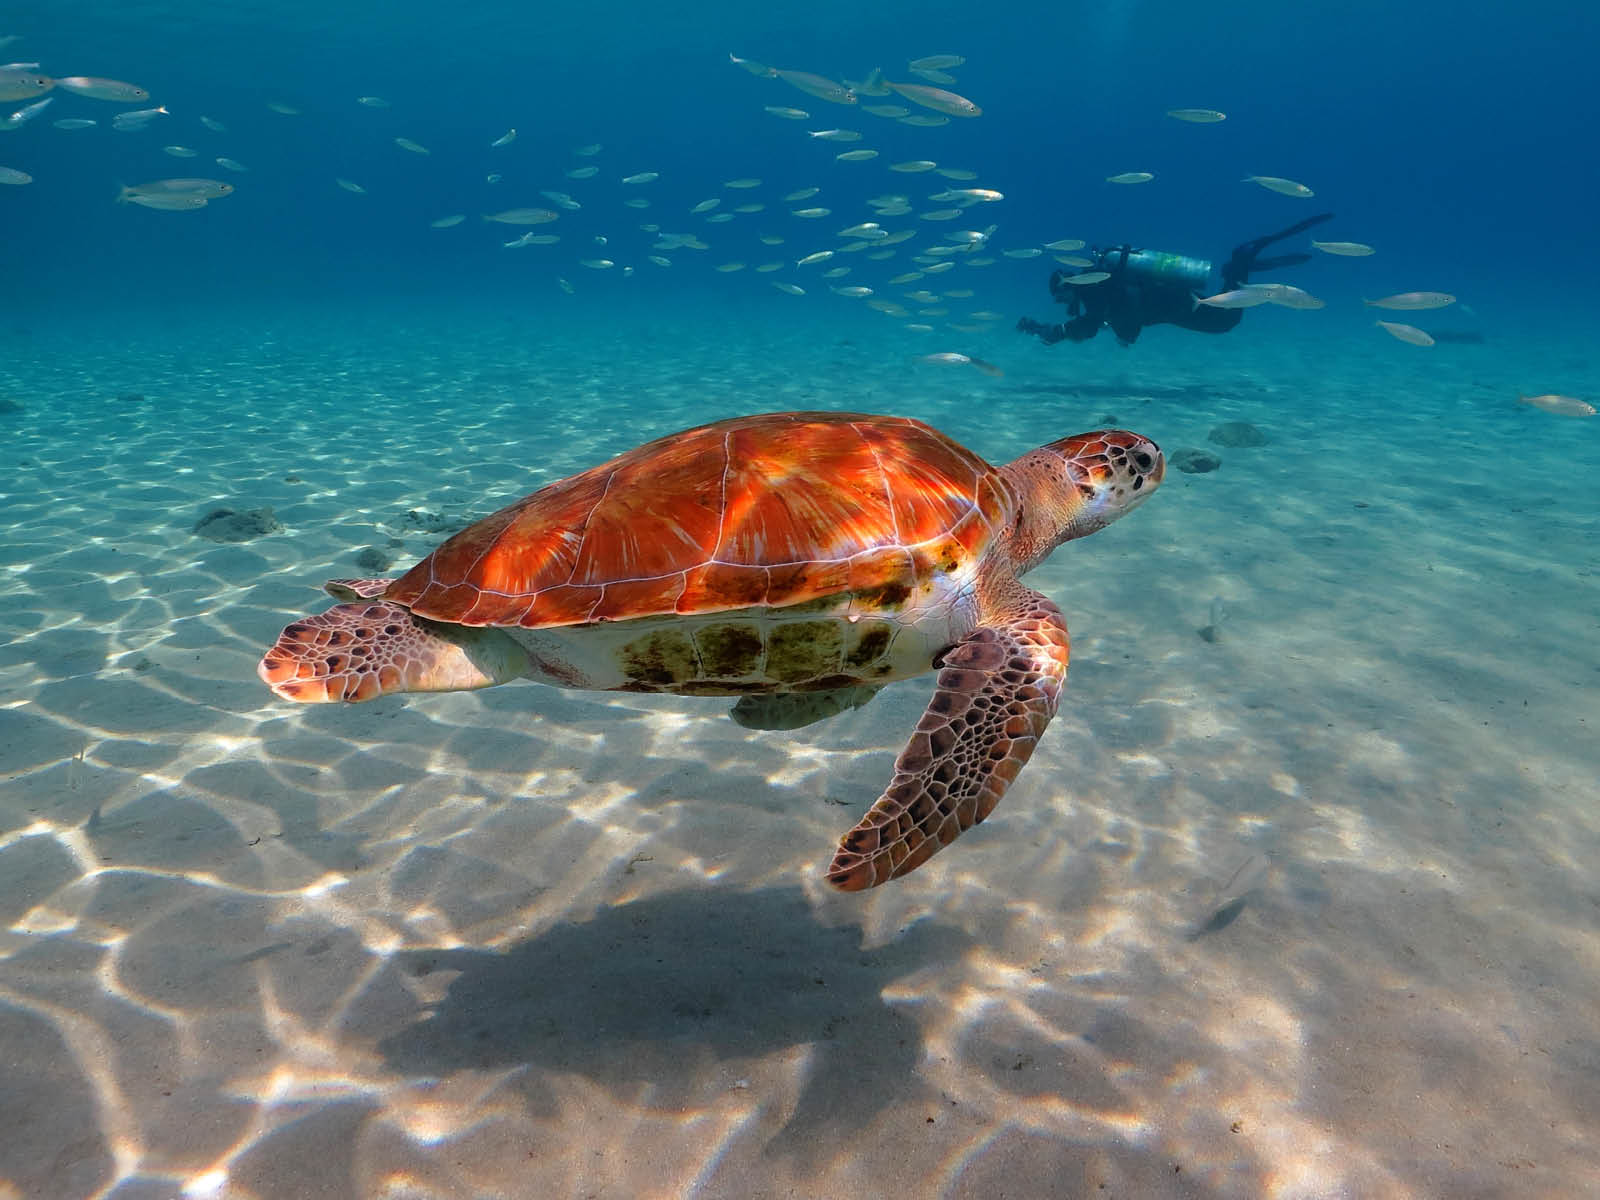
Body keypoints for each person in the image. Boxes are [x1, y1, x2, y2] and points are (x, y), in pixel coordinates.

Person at [1017, 213, 1335, 346]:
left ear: (1067, 287)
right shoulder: (1101, 284)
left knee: (1225, 323)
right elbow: (1107, 319)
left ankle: (1241, 263)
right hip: (1174, 302)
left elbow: (1096, 323)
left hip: (1178, 306)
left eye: (1061, 298)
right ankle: (1238, 269)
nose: (1064, 304)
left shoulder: (1096, 290)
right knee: (1227, 314)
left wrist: (1056, 332)